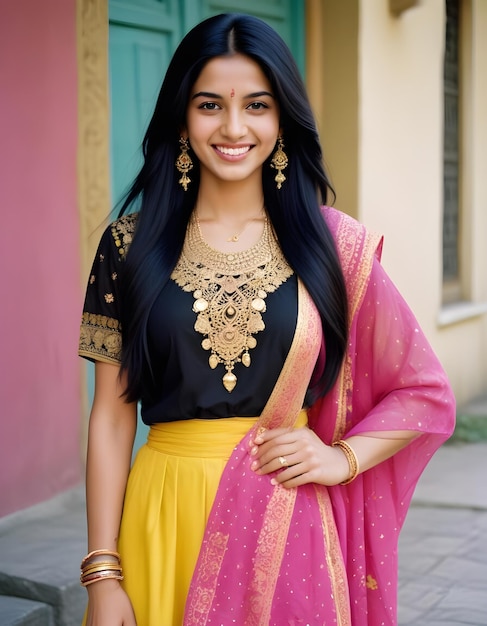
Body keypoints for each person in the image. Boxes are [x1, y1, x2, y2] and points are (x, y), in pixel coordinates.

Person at [78, 12, 455, 626]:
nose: (233, 127)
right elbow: (112, 419)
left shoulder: (332, 247)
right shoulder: (130, 246)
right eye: (209, 105)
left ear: (282, 121)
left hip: (285, 520)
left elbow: (424, 391)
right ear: (182, 117)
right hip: (162, 512)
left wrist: (344, 458)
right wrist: (101, 572)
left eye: (256, 105)